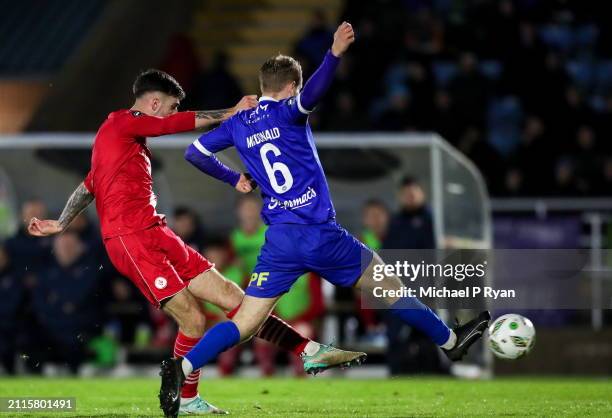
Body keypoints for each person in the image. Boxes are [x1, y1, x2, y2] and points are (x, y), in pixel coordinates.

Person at [176, 21, 489, 416]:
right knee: (387, 285)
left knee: (246, 323)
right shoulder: (290, 112)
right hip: (320, 232)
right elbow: (315, 93)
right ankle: (449, 342)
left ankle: (182, 367)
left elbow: (194, 153)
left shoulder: (239, 122)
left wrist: (235, 177)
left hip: (281, 240)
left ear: (263, 83)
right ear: (291, 86)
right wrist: (334, 54)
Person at [26, 69, 362, 416]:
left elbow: (88, 186)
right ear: (154, 103)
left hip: (156, 233)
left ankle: (309, 351)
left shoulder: (119, 142)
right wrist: (230, 112)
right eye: (170, 107)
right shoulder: (123, 123)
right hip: (130, 240)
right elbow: (172, 126)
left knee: (235, 298)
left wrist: (62, 221)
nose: (171, 115)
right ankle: (185, 397)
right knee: (193, 320)